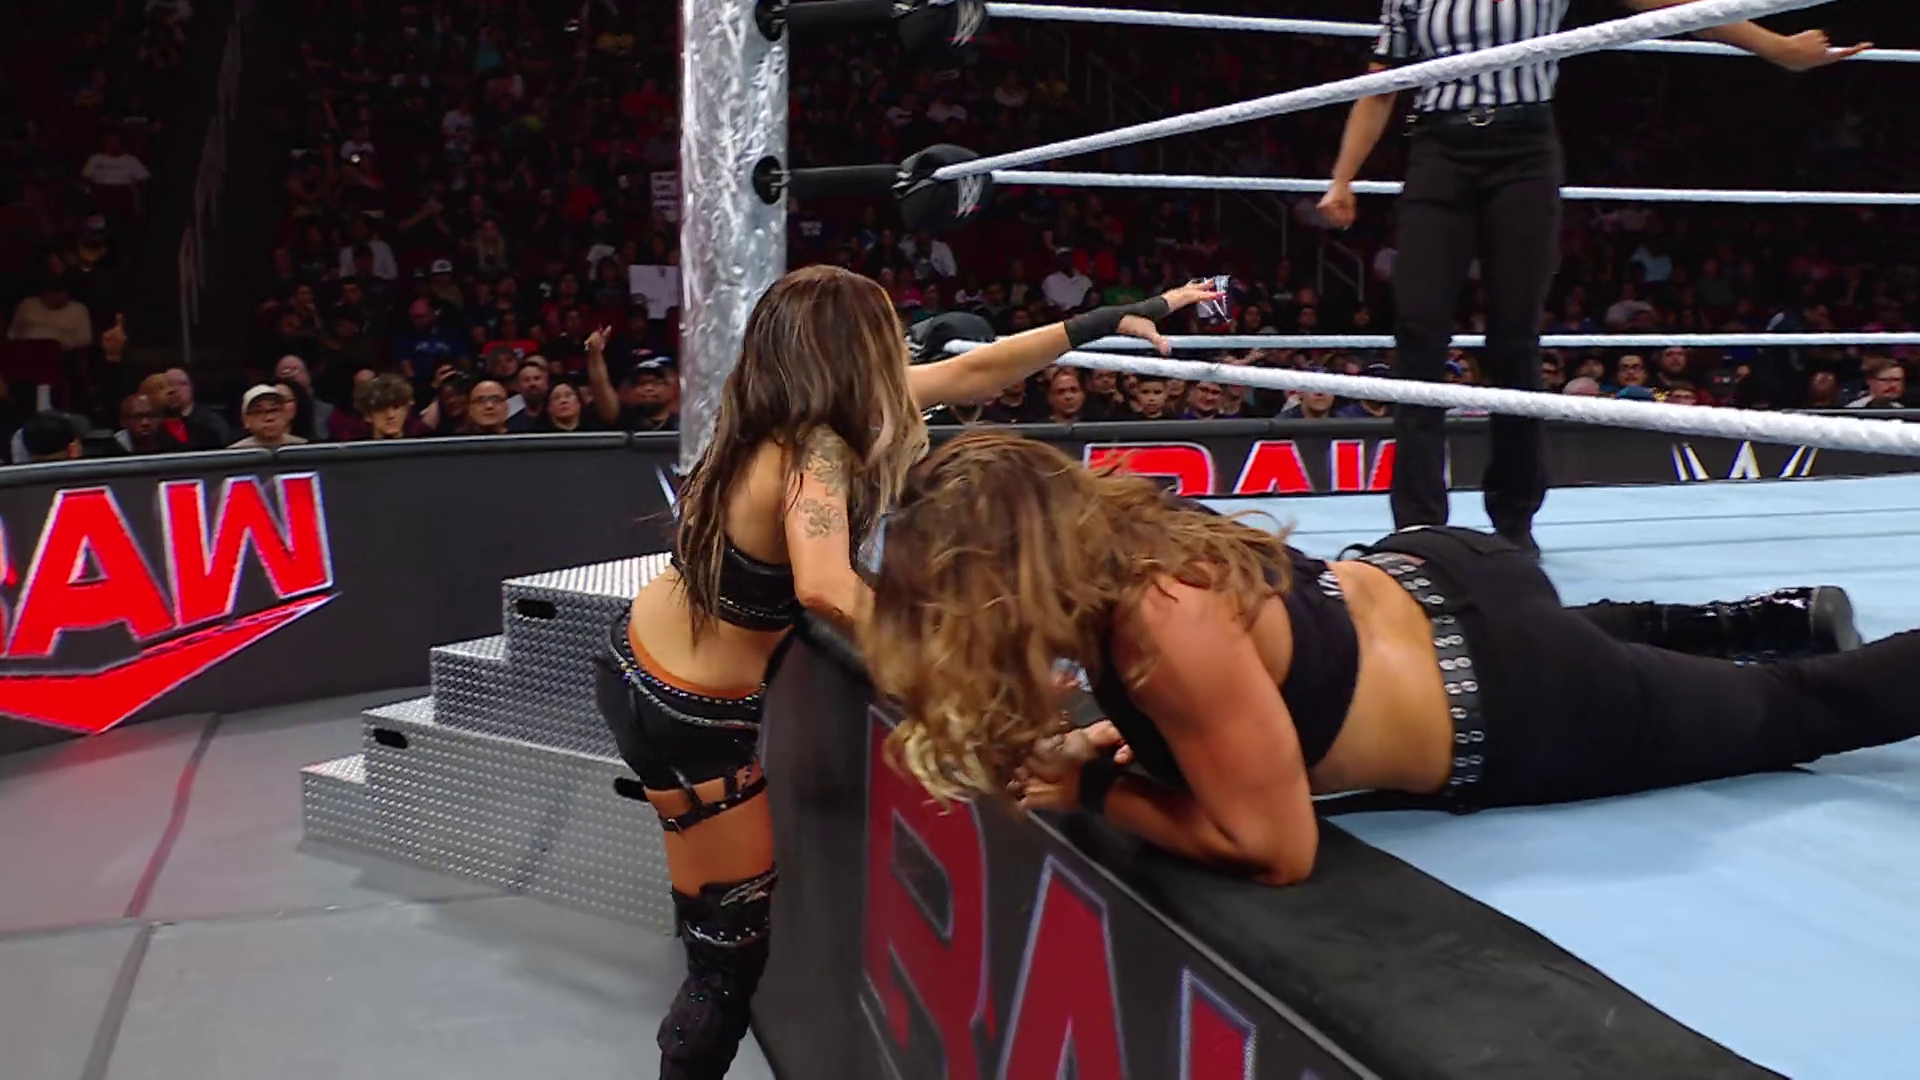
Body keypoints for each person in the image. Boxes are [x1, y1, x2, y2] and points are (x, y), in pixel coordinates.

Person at [592, 265, 1219, 1078]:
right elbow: (825, 585)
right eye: (883, 328)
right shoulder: (815, 447)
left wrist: (1120, 316)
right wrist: (962, 652)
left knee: (712, 921)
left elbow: (979, 370)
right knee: (729, 953)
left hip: (640, 662)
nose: (898, 341)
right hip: (691, 714)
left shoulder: (775, 416)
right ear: (851, 346)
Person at [860, 433, 1907, 888]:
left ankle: (1767, 639)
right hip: (1443, 571)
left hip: (1517, 698)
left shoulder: (1160, 632)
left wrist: (1093, 787)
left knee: (1792, 709)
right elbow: (1249, 691)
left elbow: (1277, 851)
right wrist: (1117, 738)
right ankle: (1754, 615)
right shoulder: (1126, 530)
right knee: (1586, 638)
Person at [1319, 1, 1867, 556]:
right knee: (1418, 332)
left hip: (1520, 149)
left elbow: (1669, 6)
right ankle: (1418, 527)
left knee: (1514, 338)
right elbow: (1382, 83)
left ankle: (1513, 521)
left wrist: (1773, 45)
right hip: (1438, 149)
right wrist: (1343, 178)